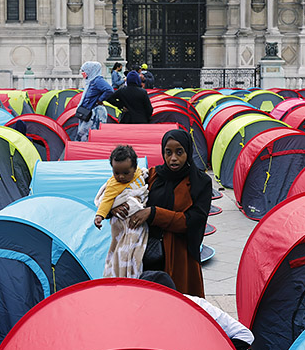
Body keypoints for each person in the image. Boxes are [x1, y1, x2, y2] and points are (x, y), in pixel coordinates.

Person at [119, 129, 212, 297]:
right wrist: (115, 208)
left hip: (180, 257)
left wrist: (153, 213)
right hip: (148, 254)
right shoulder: (153, 175)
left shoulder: (200, 182)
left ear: (188, 151)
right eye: (168, 153)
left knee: (180, 304)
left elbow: (192, 221)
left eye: (179, 152)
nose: (173, 158)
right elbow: (126, 192)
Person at [94, 145, 149, 279]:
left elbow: (143, 191)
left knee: (135, 253)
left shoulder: (140, 175)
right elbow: (106, 200)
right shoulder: (113, 184)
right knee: (118, 252)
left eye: (125, 173)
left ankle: (132, 270)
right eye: (116, 173)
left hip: (138, 223)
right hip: (121, 224)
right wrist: (100, 215)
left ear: (134, 168)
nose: (121, 177)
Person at [75, 61, 114, 141]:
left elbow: (109, 90)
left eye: (84, 71)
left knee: (85, 134)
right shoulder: (91, 81)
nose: (83, 73)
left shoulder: (97, 80)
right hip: (87, 111)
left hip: (93, 113)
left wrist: (99, 100)